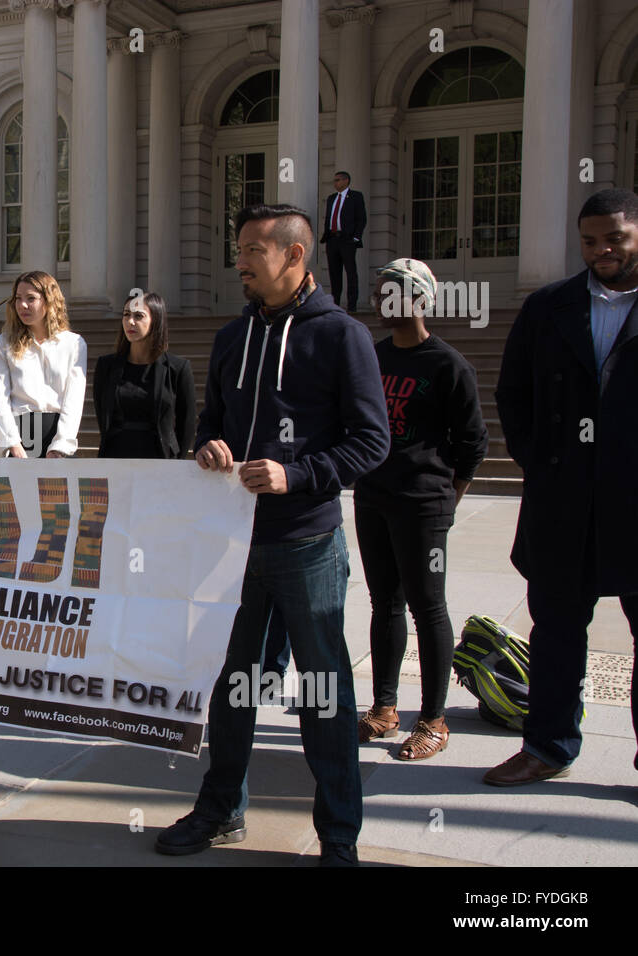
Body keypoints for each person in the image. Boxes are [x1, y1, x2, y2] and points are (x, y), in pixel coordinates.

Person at [154, 203, 389, 866]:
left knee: (323, 692)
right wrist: (209, 450)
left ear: (294, 256)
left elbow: (372, 441)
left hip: (306, 544)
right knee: (233, 685)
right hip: (234, 545)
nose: (241, 261)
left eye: (255, 249)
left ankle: (339, 836)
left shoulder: (342, 336)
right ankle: (222, 808)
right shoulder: (232, 337)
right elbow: (211, 424)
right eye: (240, 248)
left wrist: (298, 475)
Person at [488, 188, 638, 786]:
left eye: (615, 239)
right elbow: (512, 393)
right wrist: (541, 463)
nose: (601, 250)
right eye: (590, 240)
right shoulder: (548, 307)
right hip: (562, 502)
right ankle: (547, 745)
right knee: (554, 633)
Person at [355, 258, 487, 760]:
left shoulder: (448, 365)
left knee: (428, 607)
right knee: (382, 603)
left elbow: (473, 444)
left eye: (392, 293)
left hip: (423, 505)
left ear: (419, 299)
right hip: (373, 498)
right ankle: (384, 709)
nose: (381, 302)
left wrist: (447, 500)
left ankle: (433, 719)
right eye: (379, 292)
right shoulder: (372, 355)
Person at [0, 271, 87, 458]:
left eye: (31, 298)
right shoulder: (3, 343)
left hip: (57, 437)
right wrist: (12, 443)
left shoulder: (74, 344)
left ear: (49, 301)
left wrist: (61, 445)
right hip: (17, 436)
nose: (22, 305)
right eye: (18, 298)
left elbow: (74, 400)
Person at [93, 291, 195, 459]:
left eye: (138, 316)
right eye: (126, 315)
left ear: (155, 320)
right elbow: (102, 414)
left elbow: (187, 423)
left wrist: (178, 463)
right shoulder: (107, 366)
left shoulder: (178, 368)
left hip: (160, 459)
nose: (130, 322)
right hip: (115, 456)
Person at [320, 170, 367, 313]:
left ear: (346, 181)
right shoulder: (331, 198)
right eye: (334, 180)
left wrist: (356, 237)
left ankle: (352, 305)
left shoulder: (356, 197)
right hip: (332, 239)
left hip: (347, 240)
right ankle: (335, 305)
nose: (335, 183)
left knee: (350, 272)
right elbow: (329, 218)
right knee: (334, 273)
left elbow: (361, 218)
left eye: (338, 180)